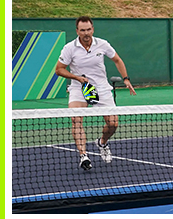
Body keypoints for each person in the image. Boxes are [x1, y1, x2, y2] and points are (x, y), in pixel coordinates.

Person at [54, 16, 137, 171]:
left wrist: (126, 79)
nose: (86, 33)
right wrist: (77, 78)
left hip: (101, 88)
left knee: (113, 124)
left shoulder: (102, 44)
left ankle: (102, 142)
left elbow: (117, 60)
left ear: (93, 29)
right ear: (77, 31)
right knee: (76, 119)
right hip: (80, 88)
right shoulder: (69, 48)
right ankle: (83, 156)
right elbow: (59, 69)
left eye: (89, 29)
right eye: (83, 30)